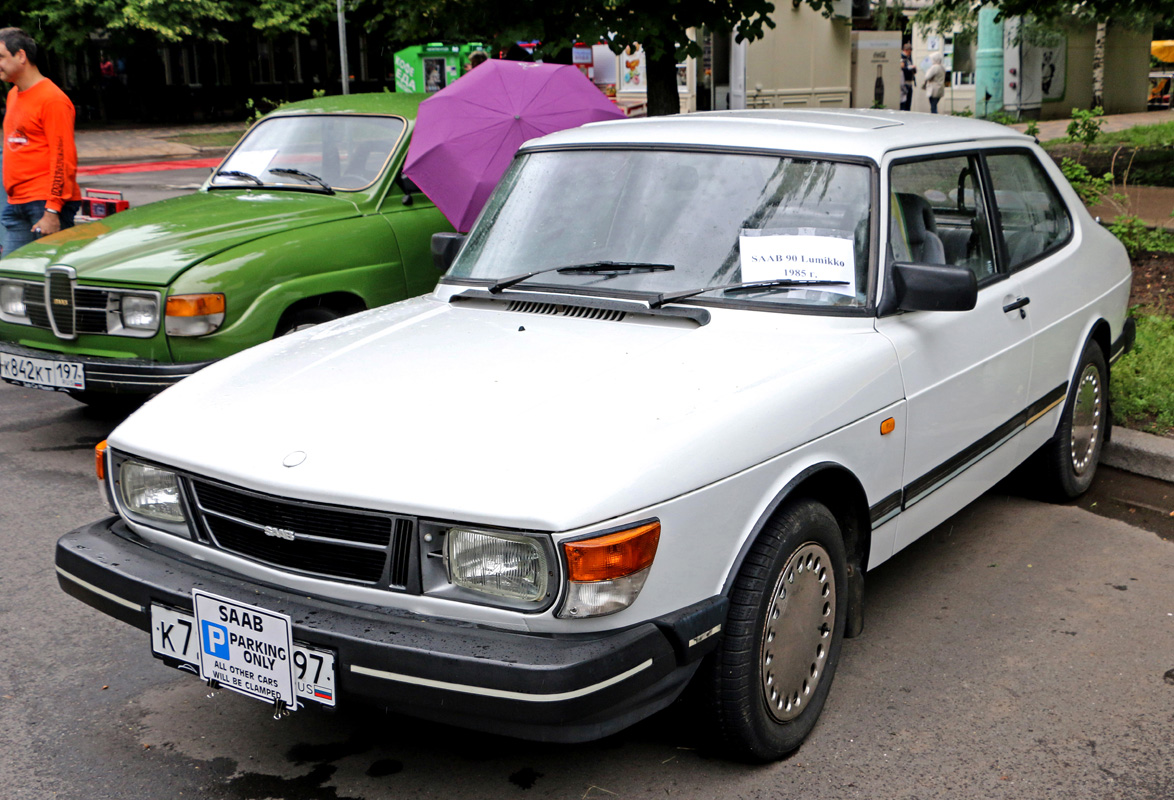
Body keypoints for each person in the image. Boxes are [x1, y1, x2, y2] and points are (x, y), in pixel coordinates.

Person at [0, 27, 81, 256]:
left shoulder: (52, 100)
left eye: (1, 57)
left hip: (44, 204)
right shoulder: (13, 94)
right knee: (12, 279)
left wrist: (52, 210)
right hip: (17, 203)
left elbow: (64, 158)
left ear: (21, 56)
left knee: (55, 283)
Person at [899, 43, 916, 111]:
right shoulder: (902, 58)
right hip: (904, 82)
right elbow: (902, 68)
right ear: (906, 50)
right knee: (904, 103)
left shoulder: (909, 58)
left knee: (908, 103)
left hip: (909, 82)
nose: (910, 53)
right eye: (909, 51)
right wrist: (910, 68)